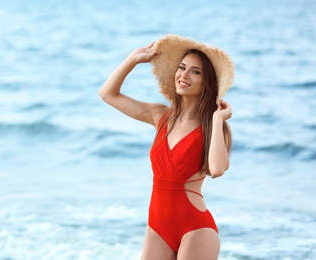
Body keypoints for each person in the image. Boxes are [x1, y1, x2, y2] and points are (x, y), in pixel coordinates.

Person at [98, 34, 234, 260]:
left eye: (195, 71)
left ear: (206, 82)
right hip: (157, 227)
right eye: (182, 67)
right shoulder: (160, 116)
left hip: (196, 230)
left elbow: (218, 169)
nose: (184, 75)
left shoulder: (212, 127)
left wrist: (219, 120)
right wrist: (132, 59)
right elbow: (107, 94)